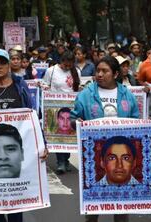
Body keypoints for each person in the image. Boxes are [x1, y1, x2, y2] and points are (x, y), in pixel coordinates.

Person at [0, 49, 48, 222]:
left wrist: (43, 143)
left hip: (15, 150)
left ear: (8, 65)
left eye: (3, 63)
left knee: (16, 201)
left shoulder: (20, 85)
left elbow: (32, 116)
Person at [71, 56, 139, 222]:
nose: (99, 74)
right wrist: (76, 122)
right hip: (94, 156)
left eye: (105, 71)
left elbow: (136, 120)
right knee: (94, 203)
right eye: (98, 71)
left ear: (115, 74)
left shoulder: (127, 95)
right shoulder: (86, 94)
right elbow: (73, 117)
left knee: (122, 202)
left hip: (121, 154)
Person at [42, 51, 80, 174]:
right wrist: (44, 88)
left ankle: (66, 159)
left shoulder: (76, 72)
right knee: (58, 135)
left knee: (69, 135)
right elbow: (45, 84)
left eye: (70, 66)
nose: (67, 68)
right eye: (65, 65)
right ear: (61, 61)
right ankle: (60, 162)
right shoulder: (51, 71)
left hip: (70, 108)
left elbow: (77, 88)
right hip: (55, 108)